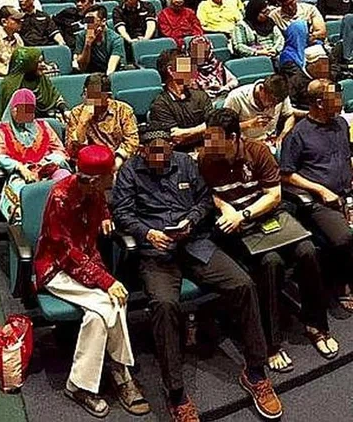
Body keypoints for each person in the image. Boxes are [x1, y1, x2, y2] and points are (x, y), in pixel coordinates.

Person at [111, 129, 283, 422]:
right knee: (165, 306)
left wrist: (190, 220)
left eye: (165, 151)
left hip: (194, 243)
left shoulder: (185, 163)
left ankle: (255, 371)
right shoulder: (129, 172)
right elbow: (121, 212)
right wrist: (147, 233)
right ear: (142, 151)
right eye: (154, 153)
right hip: (157, 252)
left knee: (243, 284)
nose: (161, 158)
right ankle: (175, 392)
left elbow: (205, 200)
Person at [200, 109, 335, 371]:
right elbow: (205, 193)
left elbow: (273, 195)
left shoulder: (257, 151)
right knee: (270, 262)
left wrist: (245, 213)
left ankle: (315, 325)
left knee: (307, 250)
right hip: (239, 226)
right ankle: (272, 344)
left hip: (266, 213)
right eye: (206, 137)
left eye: (214, 138)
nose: (208, 144)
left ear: (234, 138)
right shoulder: (205, 158)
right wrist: (225, 207)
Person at [34, 144, 148, 418]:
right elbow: (66, 253)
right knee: (111, 300)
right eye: (112, 174)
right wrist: (106, 280)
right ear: (97, 179)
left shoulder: (93, 191)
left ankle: (79, 385)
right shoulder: (60, 197)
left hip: (86, 264)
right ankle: (122, 373)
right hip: (57, 270)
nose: (115, 178)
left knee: (101, 313)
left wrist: (106, 217)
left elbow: (100, 210)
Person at [279, 79, 353, 313]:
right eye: (335, 97)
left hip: (347, 191)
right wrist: (320, 189)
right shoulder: (298, 135)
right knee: (344, 238)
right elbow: (286, 175)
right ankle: (343, 286)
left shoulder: (340, 123)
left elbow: (346, 156)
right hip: (320, 200)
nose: (341, 102)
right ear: (319, 103)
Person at [0, 89, 71, 223]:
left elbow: (61, 151)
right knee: (22, 190)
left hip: (48, 169)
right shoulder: (3, 130)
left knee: (66, 179)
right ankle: (26, 227)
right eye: (18, 109)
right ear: (11, 109)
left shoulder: (44, 126)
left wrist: (46, 163)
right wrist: (20, 167)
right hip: (22, 174)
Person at [66, 74, 139, 170]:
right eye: (86, 94)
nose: (90, 100)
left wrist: (117, 163)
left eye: (95, 97)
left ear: (107, 96)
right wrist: (82, 123)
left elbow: (132, 142)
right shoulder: (76, 113)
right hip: (90, 164)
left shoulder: (123, 110)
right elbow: (72, 152)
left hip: (119, 161)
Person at [149, 49, 212, 153]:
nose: (193, 71)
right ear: (171, 71)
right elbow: (176, 139)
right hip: (179, 156)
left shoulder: (201, 95)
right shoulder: (160, 105)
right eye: (187, 66)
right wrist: (203, 129)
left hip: (207, 150)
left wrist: (189, 132)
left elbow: (215, 126)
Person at [0, 47, 68, 120]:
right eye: (39, 62)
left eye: (43, 61)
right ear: (28, 65)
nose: (44, 65)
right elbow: (20, 118)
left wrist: (64, 110)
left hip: (43, 121)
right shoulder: (11, 85)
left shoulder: (42, 79)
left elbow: (56, 98)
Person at [223, 74, 296, 146]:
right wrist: (249, 124)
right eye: (271, 101)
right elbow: (224, 127)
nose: (273, 108)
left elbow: (290, 116)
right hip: (245, 144)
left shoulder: (281, 96)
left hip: (271, 142)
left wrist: (282, 136)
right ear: (261, 89)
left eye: (276, 104)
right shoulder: (236, 97)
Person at [75, 5, 124, 75]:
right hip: (90, 74)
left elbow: (111, 68)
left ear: (103, 21)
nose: (88, 24)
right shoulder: (81, 36)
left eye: (91, 20)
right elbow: (82, 67)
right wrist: (88, 44)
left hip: (109, 74)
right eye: (87, 20)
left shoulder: (116, 39)